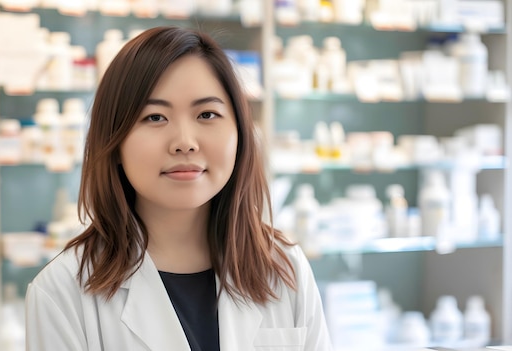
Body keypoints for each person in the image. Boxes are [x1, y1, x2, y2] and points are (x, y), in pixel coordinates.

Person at [25, 26, 333, 351]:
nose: (185, 143)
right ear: (113, 142)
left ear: (241, 134)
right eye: (155, 117)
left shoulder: (286, 270)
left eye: (207, 114)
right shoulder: (62, 292)